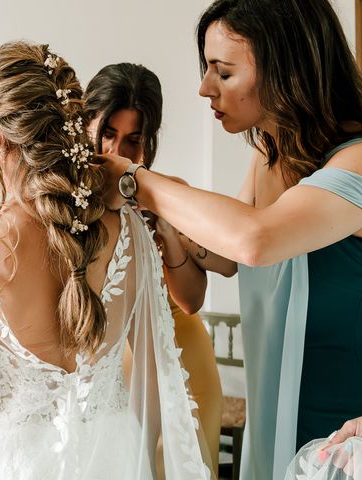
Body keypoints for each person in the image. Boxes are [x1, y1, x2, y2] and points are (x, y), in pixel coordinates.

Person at [0, 41, 213, 480]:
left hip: (14, 465)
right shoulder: (127, 231)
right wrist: (139, 460)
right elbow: (151, 379)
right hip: (115, 456)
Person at [94, 1, 362, 478]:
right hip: (275, 413)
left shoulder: (356, 162)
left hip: (340, 428)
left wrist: (137, 180)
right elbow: (222, 256)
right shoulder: (271, 155)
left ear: (284, 70)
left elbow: (254, 240)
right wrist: (163, 219)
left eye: (223, 72)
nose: (204, 88)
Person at [84, 62, 234, 474]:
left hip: (185, 363)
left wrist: (166, 227)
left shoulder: (169, 192)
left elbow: (191, 300)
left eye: (133, 140)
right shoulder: (68, 204)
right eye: (107, 134)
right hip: (111, 376)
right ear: (84, 125)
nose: (117, 152)